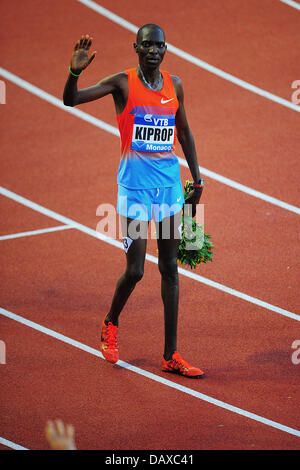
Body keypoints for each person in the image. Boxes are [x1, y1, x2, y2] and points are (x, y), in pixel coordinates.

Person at [63, 24, 205, 378]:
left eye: (159, 45)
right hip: (134, 191)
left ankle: (171, 353)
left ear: (166, 48)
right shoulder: (123, 83)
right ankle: (110, 322)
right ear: (136, 48)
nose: (153, 51)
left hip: (170, 188)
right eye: (147, 45)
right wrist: (74, 72)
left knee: (170, 268)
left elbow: (184, 132)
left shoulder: (176, 85)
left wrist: (197, 178)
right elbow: (71, 99)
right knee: (137, 269)